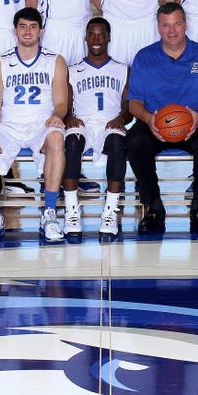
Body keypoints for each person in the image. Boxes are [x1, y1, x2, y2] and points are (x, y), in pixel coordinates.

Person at [126, 2, 198, 233]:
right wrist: (148, 119)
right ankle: (154, 206)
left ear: (186, 25)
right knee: (134, 140)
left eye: (177, 24)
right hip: (156, 123)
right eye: (165, 25)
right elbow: (134, 103)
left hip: (195, 122)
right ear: (158, 28)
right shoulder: (144, 57)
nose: (171, 31)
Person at [0, 8, 68, 243]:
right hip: (9, 125)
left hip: (41, 124)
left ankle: (49, 214)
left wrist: (57, 116)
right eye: (23, 26)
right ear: (15, 31)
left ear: (41, 31)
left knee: (57, 136)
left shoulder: (55, 61)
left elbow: (61, 103)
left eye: (33, 26)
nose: (28, 31)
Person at [63, 18, 130, 236]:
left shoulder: (122, 69)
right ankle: (71, 210)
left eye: (101, 35)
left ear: (109, 38)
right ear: (85, 38)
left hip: (109, 124)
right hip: (82, 124)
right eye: (92, 35)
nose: (96, 40)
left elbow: (129, 107)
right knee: (72, 142)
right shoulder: (72, 70)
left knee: (118, 142)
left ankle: (110, 211)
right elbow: (64, 105)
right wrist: (68, 117)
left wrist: (121, 118)